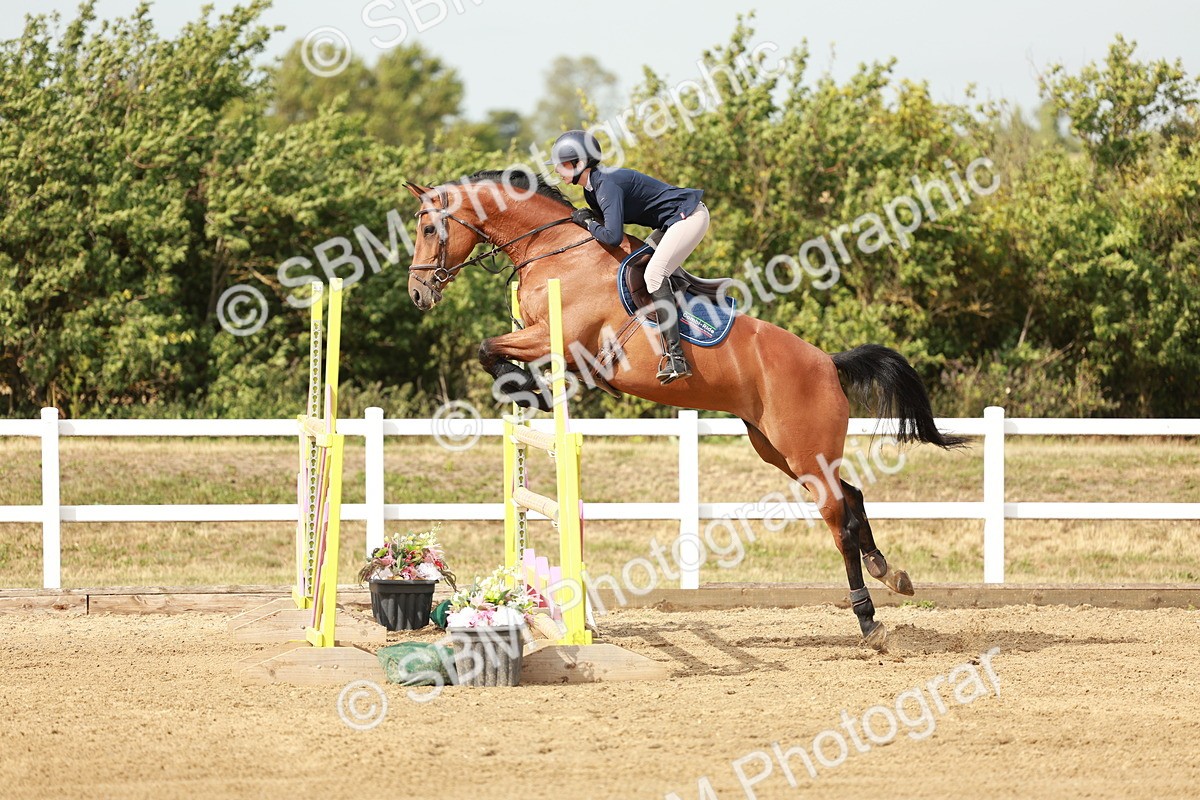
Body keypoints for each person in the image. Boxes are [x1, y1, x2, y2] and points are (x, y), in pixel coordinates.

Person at [546, 130, 708, 385]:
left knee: (654, 274)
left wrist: (588, 222)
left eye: (562, 165)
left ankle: (677, 358)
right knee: (639, 267)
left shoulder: (606, 185)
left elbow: (611, 236)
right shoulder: (592, 189)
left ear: (580, 163)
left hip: (688, 217)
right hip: (670, 223)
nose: (557, 170)